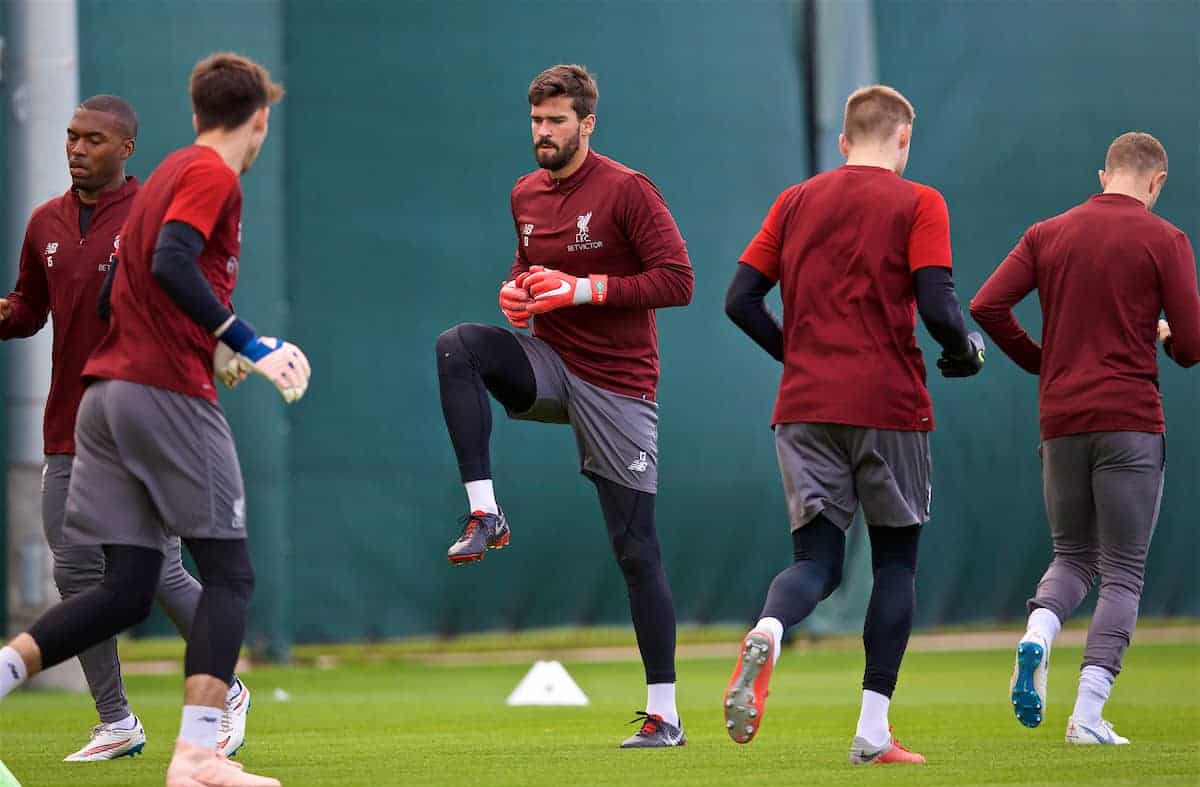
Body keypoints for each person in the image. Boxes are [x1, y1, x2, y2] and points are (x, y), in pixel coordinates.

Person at [0, 52, 311, 787]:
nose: (76, 148)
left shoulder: (165, 174)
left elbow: (119, 295)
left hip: (101, 397)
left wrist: (212, 338)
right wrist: (247, 342)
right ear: (259, 116)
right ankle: (199, 754)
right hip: (163, 391)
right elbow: (174, 262)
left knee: (122, 588)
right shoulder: (210, 175)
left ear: (196, 109)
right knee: (230, 573)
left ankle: (7, 668)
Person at [721, 85, 983, 765]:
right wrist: (965, 350)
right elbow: (938, 302)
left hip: (804, 407)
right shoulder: (920, 201)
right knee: (895, 564)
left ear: (843, 142)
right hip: (889, 406)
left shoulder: (795, 200)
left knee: (816, 562)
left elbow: (740, 300)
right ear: (903, 140)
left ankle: (771, 628)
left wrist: (797, 354)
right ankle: (871, 730)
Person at [435, 64, 693, 748]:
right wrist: (518, 293)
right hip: (550, 365)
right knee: (458, 346)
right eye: (535, 121)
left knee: (636, 550)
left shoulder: (628, 189)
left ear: (587, 122)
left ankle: (664, 713)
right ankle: (486, 510)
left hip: (618, 384)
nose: (542, 133)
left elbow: (678, 280)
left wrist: (579, 291)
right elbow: (529, 273)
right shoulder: (524, 192)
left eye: (555, 121)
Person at [970, 131, 1199, 745]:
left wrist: (1044, 362)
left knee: (1072, 557)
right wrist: (1164, 337)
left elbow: (988, 305)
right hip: (1129, 421)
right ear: (1156, 183)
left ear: (1104, 175)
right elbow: (1193, 346)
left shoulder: (1048, 233)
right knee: (1122, 573)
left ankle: (1038, 634)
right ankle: (1088, 715)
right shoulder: (1166, 239)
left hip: (1062, 420)